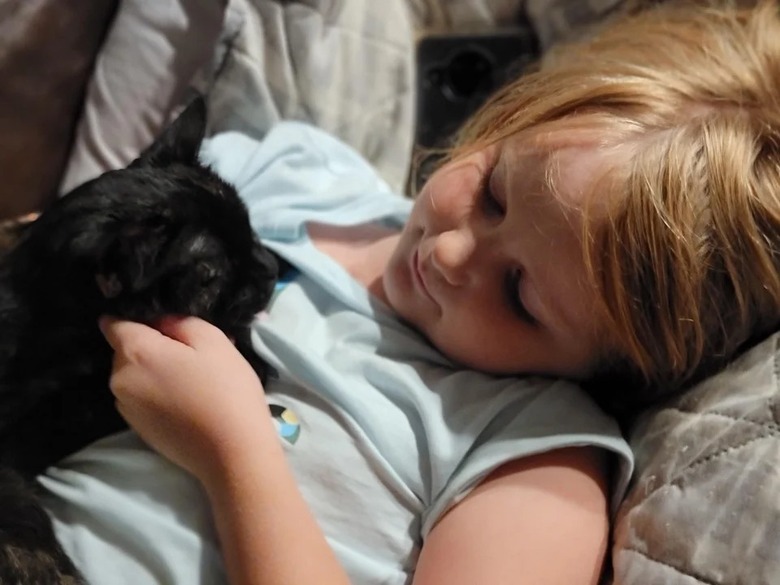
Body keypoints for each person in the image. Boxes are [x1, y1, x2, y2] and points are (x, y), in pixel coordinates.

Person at [42, 1, 780, 584]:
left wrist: (233, 452)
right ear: (505, 121)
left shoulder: (534, 456)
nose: (451, 252)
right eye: (492, 193)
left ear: (611, 367)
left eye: (520, 295)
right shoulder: (298, 172)